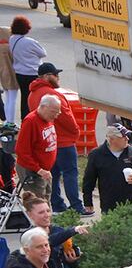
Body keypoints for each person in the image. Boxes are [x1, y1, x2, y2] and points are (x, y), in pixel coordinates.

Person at [27, 64, 82, 214]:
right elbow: (66, 117)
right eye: (54, 74)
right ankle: (77, 206)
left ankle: (57, 205)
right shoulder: (53, 95)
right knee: (70, 172)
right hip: (63, 141)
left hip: (47, 143)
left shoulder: (32, 94)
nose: (58, 77)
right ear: (45, 76)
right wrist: (76, 132)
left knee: (54, 175)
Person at [82, 123, 132, 214]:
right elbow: (89, 180)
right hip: (109, 204)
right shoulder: (96, 155)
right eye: (124, 137)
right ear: (112, 139)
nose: (127, 139)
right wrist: (88, 202)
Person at [14, 94, 59, 197]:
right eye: (54, 112)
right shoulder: (31, 121)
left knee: (46, 200)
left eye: (58, 112)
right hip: (33, 170)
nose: (56, 116)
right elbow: (21, 151)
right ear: (43, 107)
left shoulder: (47, 119)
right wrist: (39, 170)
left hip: (44, 171)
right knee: (37, 203)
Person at [9, 17, 45, 114]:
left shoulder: (12, 39)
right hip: (32, 73)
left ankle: (24, 118)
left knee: (24, 97)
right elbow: (43, 53)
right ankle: (34, 117)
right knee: (34, 97)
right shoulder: (30, 41)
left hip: (19, 73)